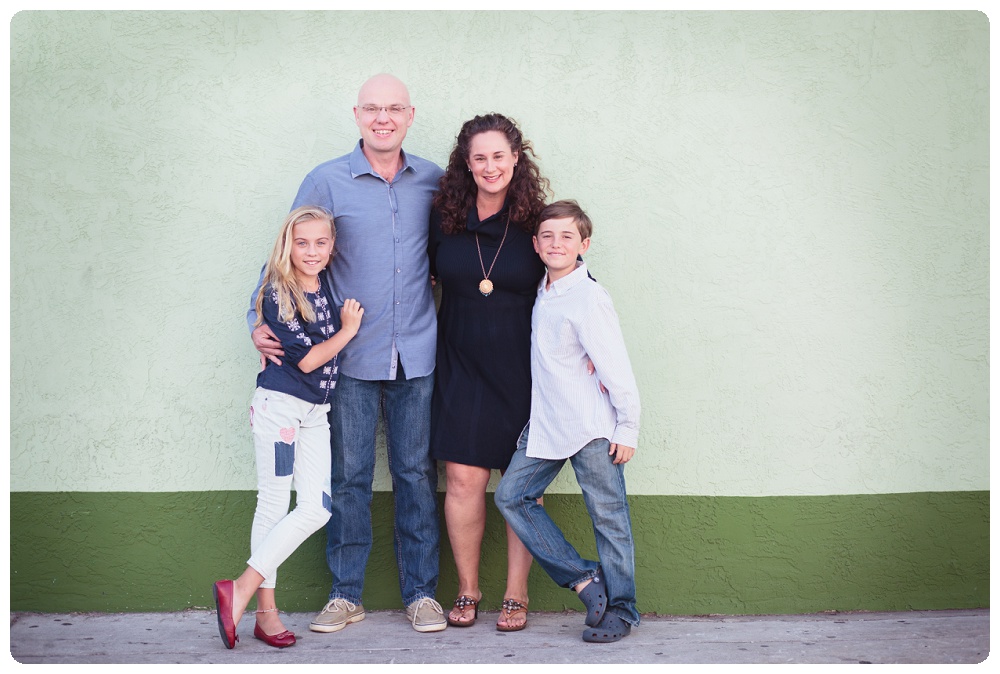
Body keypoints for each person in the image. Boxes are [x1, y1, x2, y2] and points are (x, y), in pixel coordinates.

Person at [247, 74, 447, 633]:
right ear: (357, 114)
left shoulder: (432, 179)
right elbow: (285, 253)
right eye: (372, 109)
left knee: (414, 473)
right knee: (351, 476)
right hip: (348, 360)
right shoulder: (326, 179)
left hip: (418, 354)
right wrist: (255, 322)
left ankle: (422, 594)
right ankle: (345, 594)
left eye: (394, 109)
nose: (383, 118)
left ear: (410, 114)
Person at [215, 206, 364, 650]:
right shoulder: (277, 293)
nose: (312, 251)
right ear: (287, 244)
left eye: (321, 242)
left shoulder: (325, 286)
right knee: (274, 503)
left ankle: (240, 588)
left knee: (317, 508)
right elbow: (305, 360)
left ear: (332, 246)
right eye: (302, 243)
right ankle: (263, 610)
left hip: (316, 412)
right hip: (280, 408)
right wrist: (349, 330)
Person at [495, 199, 642, 644]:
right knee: (512, 496)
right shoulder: (542, 289)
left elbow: (615, 366)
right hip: (547, 425)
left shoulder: (589, 296)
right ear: (536, 246)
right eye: (548, 236)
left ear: (584, 244)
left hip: (594, 428)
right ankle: (584, 578)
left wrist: (628, 427)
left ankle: (622, 609)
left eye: (567, 236)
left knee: (608, 517)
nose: (556, 244)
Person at [428, 113, 549, 632]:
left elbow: (571, 282)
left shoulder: (536, 221)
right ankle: (469, 589)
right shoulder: (443, 217)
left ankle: (516, 595)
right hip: (459, 365)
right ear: (466, 163)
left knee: (523, 487)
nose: (489, 166)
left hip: (525, 373)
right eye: (479, 157)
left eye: (499, 155)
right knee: (461, 480)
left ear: (516, 159)